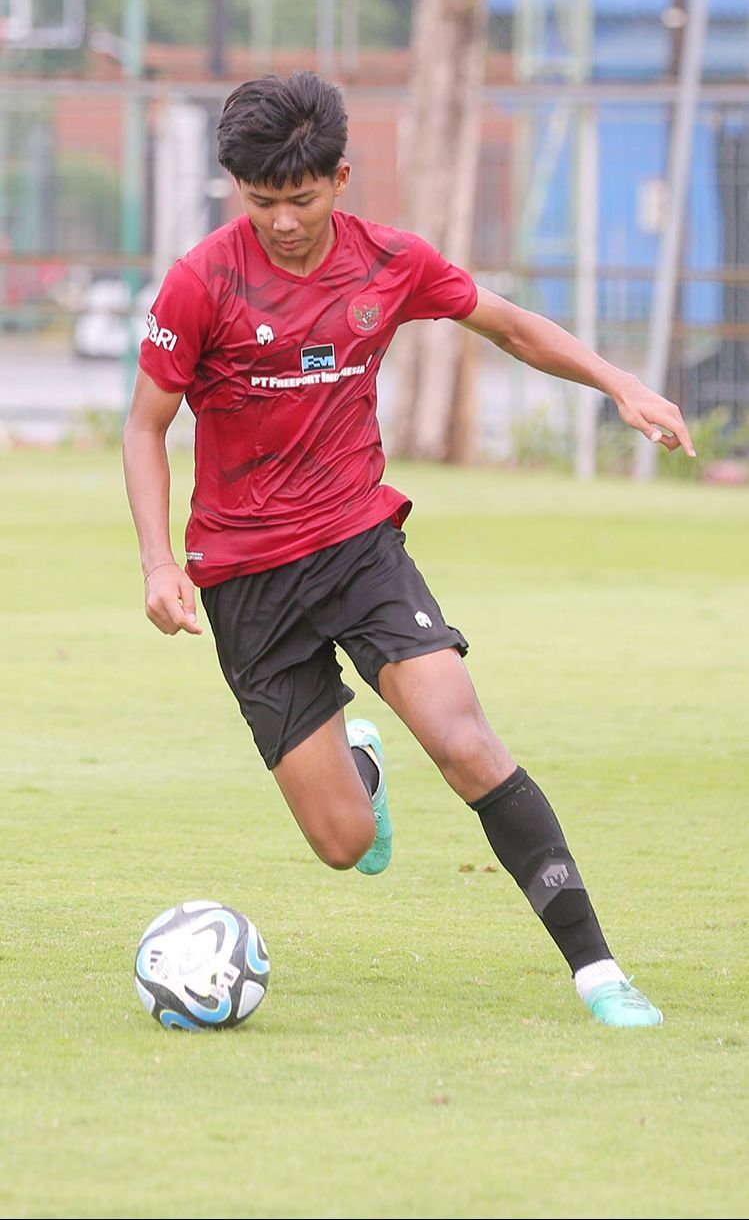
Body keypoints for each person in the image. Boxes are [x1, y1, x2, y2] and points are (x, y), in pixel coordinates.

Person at [123, 70, 695, 1028]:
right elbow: (145, 427)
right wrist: (155, 562)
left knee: (465, 741)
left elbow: (508, 323)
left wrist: (616, 382)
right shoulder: (203, 281)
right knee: (344, 842)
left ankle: (598, 972)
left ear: (339, 178)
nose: (284, 222)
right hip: (243, 581)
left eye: (300, 200)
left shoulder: (389, 262)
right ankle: (361, 767)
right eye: (262, 203)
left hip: (357, 545)